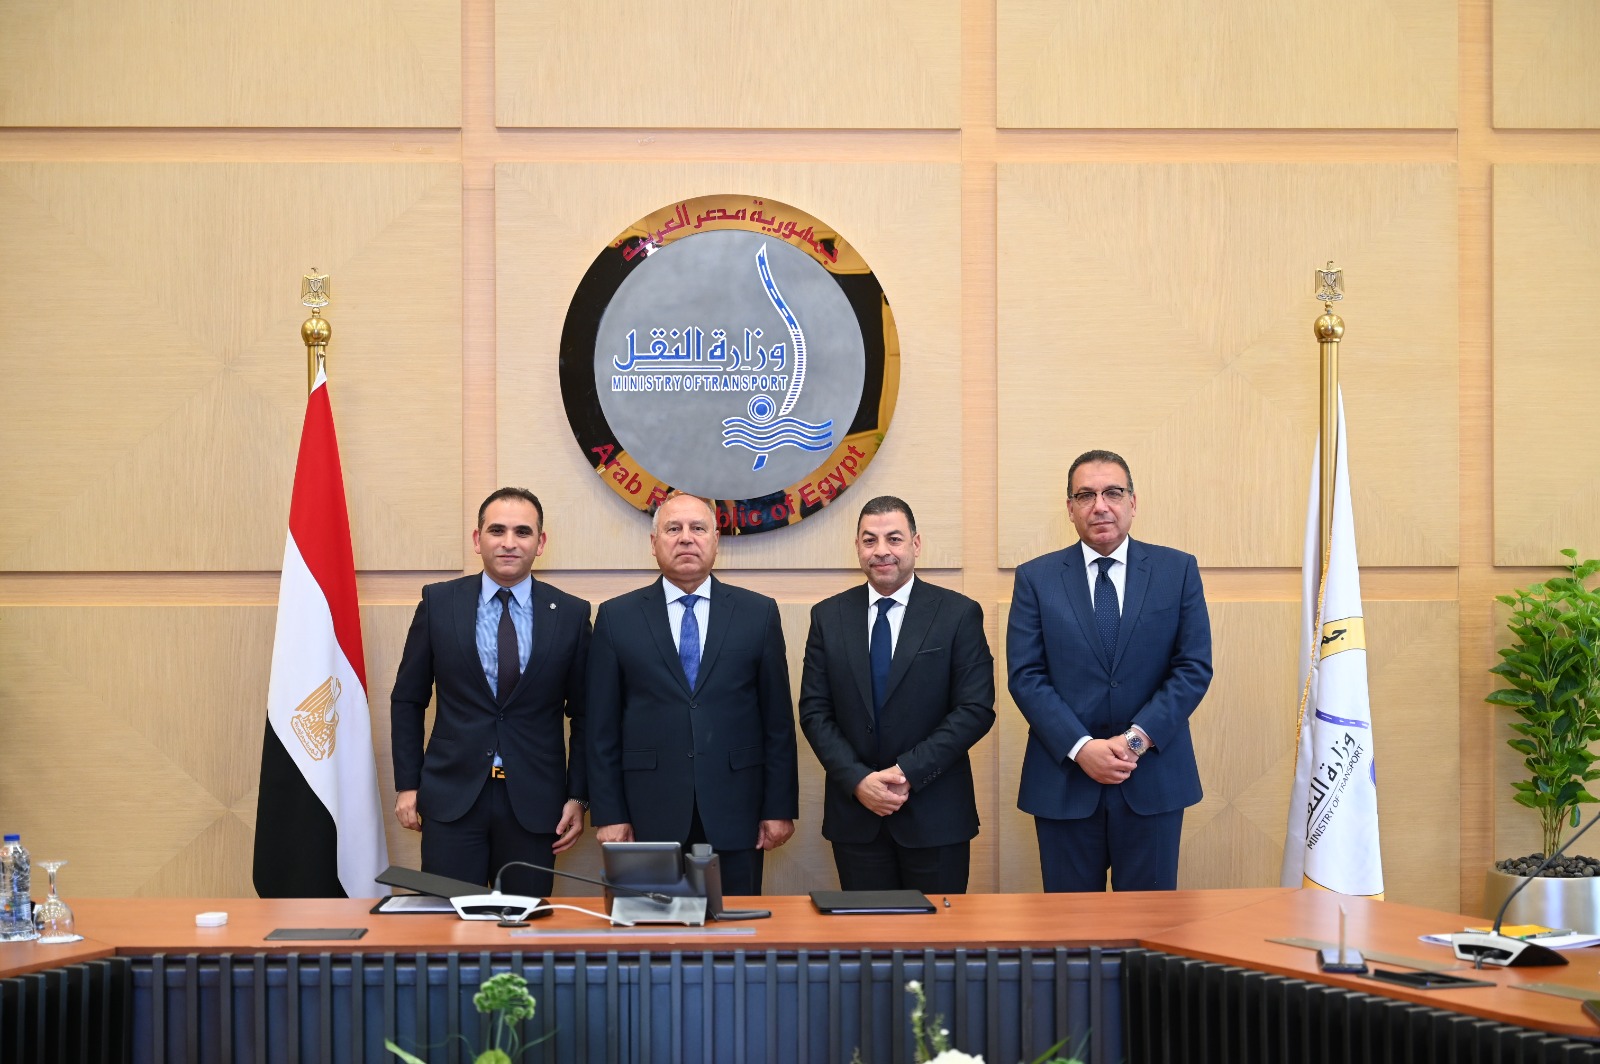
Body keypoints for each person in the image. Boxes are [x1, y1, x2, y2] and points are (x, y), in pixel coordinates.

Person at [1007, 450, 1212, 892]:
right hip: (1064, 781)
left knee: (1148, 925)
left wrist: (1135, 741)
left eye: (1113, 493)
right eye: (1086, 495)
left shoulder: (1177, 570)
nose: (1100, 506)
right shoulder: (1036, 578)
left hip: (1152, 779)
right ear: (1070, 508)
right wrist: (1082, 748)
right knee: (1070, 926)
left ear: (1132, 503)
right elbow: (1026, 676)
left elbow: (1193, 667)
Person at [586, 491, 798, 896]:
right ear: (654, 544)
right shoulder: (616, 617)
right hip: (646, 815)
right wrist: (609, 813)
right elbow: (601, 728)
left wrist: (778, 808)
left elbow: (777, 723)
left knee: (734, 929)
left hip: (737, 812)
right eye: (673, 529)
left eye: (698, 528)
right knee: (650, 929)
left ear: (716, 541)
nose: (686, 538)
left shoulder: (758, 613)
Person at [390, 488, 590, 899]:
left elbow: (587, 714)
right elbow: (408, 699)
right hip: (451, 800)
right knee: (446, 924)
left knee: (524, 925)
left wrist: (578, 796)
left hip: (535, 805)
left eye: (522, 532)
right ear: (477, 539)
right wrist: (407, 785)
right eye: (497, 530)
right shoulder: (439, 602)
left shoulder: (571, 614)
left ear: (540, 543)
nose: (509, 542)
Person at [798, 496, 995, 894]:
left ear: (916, 544)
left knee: (938, 933)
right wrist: (858, 780)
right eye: (870, 540)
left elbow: (974, 709)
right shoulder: (828, 616)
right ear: (857, 547)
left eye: (894, 538)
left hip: (935, 815)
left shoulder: (958, 614)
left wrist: (907, 773)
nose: (881, 550)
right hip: (856, 817)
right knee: (867, 931)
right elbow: (815, 712)